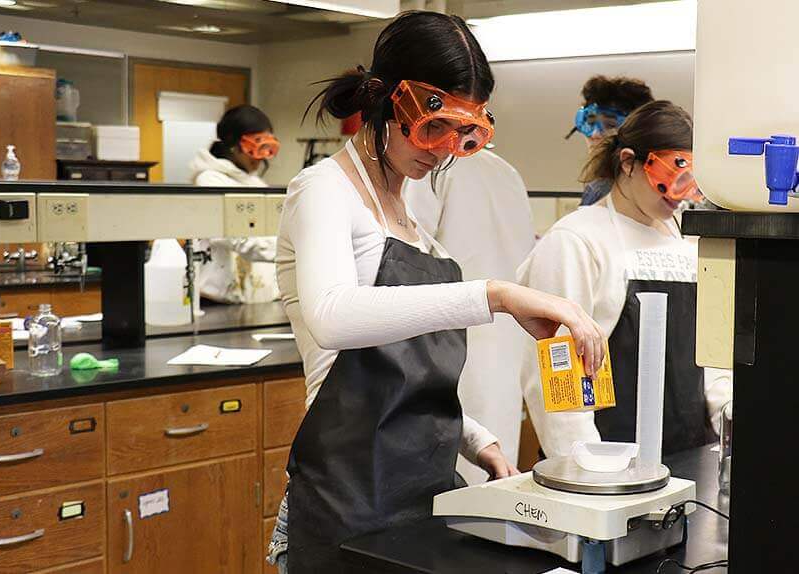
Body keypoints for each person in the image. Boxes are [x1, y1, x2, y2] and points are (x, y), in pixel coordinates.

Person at [269, 11, 605, 573]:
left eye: (465, 135)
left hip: (423, 496)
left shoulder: (412, 223)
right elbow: (333, 319)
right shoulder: (322, 191)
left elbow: (398, 370)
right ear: (387, 103)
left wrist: (477, 439)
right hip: (345, 502)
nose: (445, 149)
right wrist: (495, 295)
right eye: (433, 128)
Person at [517, 100, 732, 460]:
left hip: (688, 456)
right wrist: (588, 472)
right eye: (667, 179)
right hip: (606, 465)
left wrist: (726, 418)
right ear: (628, 162)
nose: (676, 198)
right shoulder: (577, 240)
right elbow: (556, 375)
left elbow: (710, 360)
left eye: (688, 184)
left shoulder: (688, 245)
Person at [404, 148, 535, 483]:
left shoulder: (431, 170)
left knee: (457, 494)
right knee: (495, 488)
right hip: (505, 342)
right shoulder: (509, 172)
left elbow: (406, 259)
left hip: (452, 346)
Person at [190, 105, 281, 304]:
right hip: (218, 300)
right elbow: (235, 237)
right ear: (234, 144)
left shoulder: (254, 183)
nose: (262, 156)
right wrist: (289, 250)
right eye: (257, 146)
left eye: (268, 147)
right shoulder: (209, 180)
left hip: (256, 300)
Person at [565, 75, 654, 206]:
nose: (595, 134)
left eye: (610, 125)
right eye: (589, 123)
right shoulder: (646, 187)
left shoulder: (607, 189)